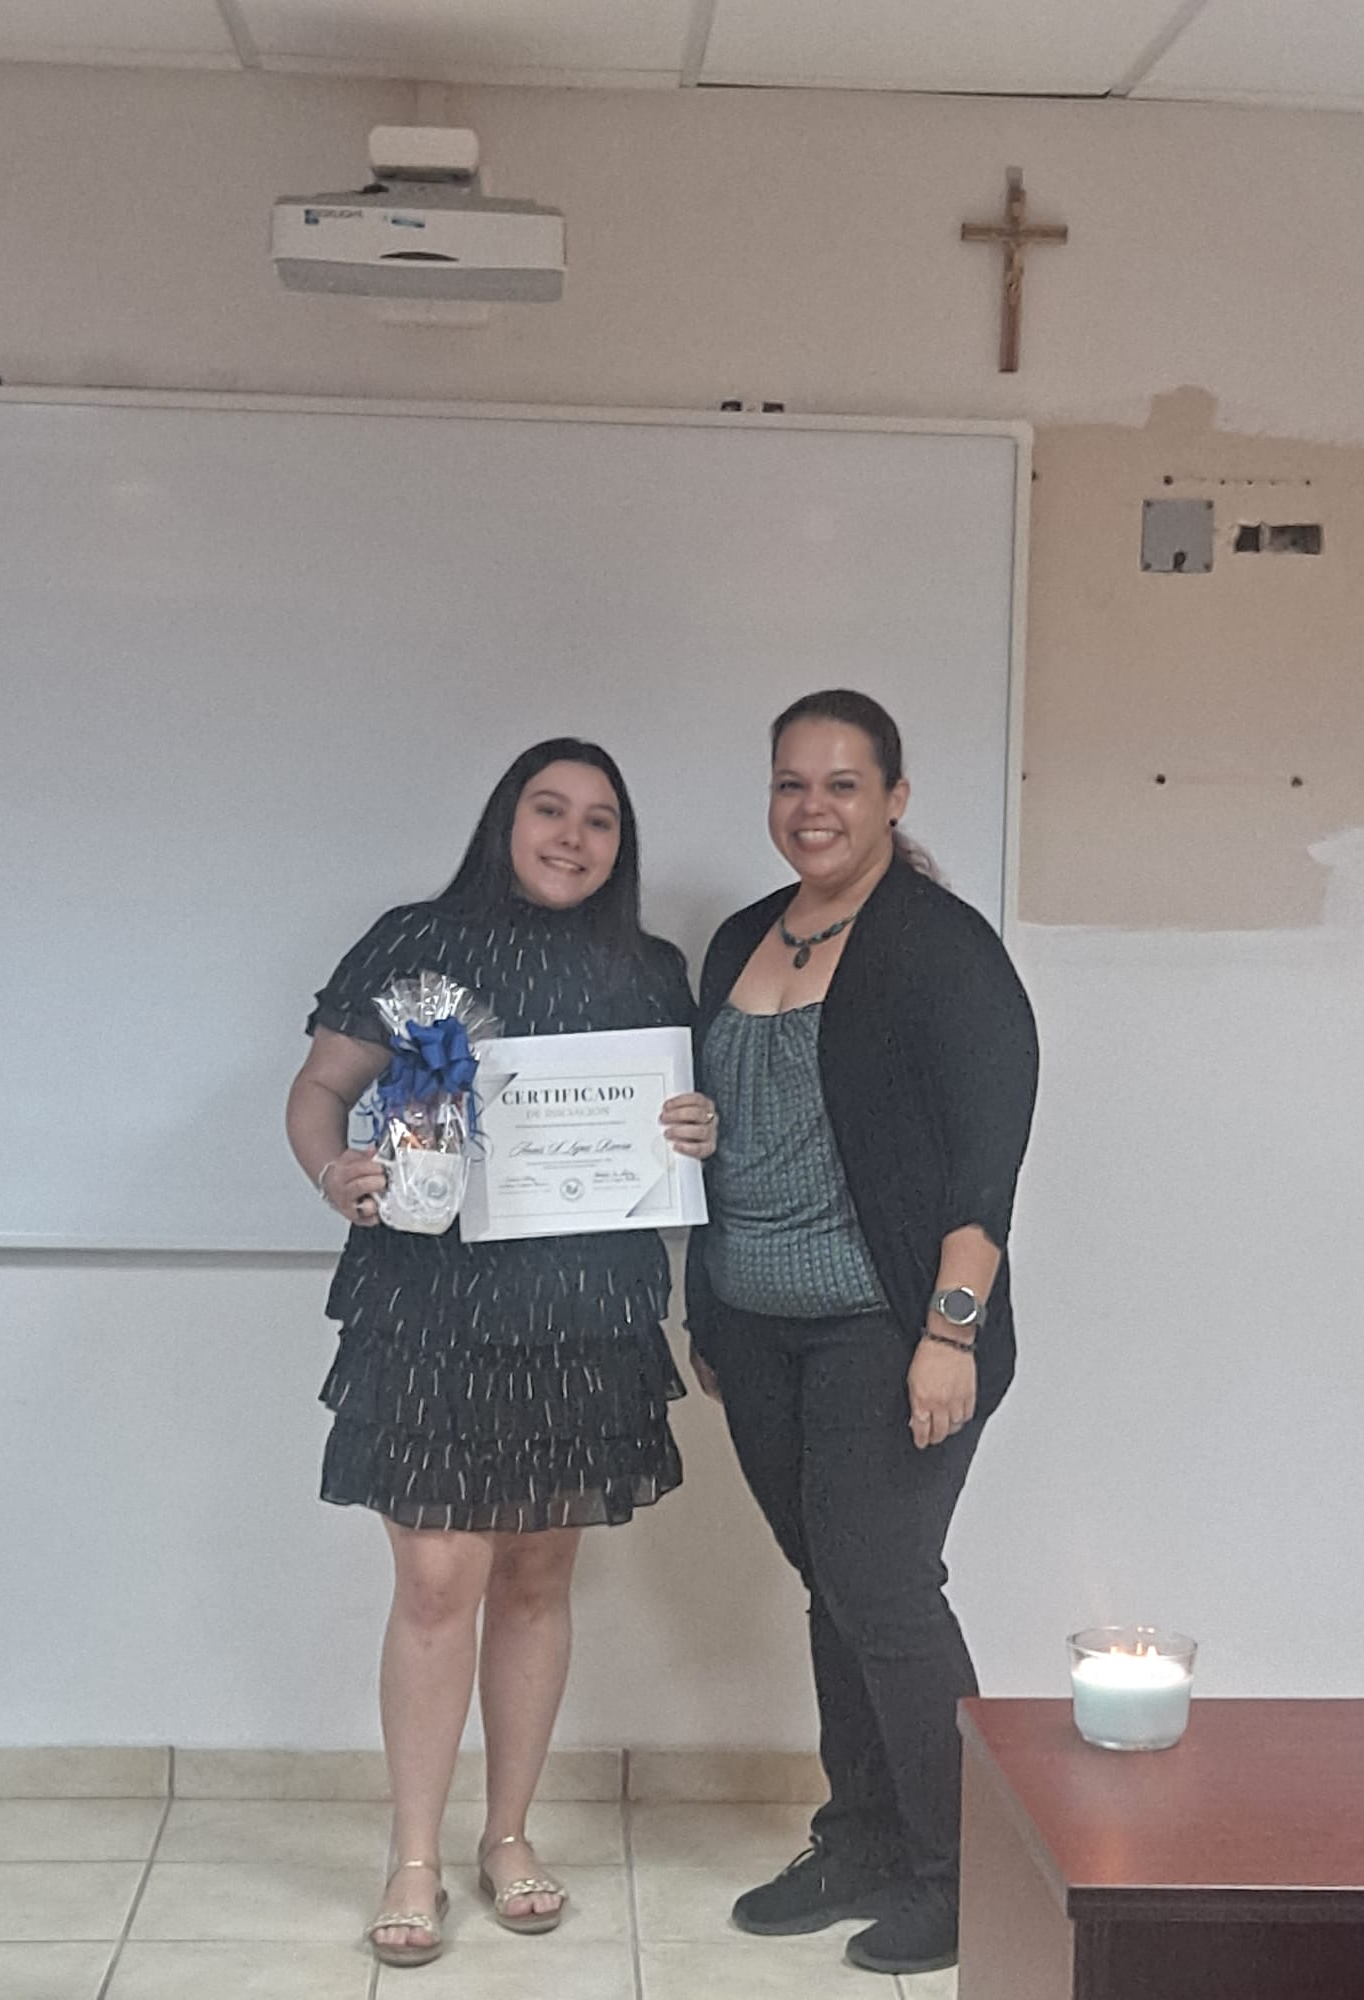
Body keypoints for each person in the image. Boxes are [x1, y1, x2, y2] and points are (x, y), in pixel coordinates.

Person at [286, 738, 717, 1969]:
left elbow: (671, 1121)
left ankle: (509, 1834)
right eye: (550, 809)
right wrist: (334, 1170)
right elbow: (319, 1090)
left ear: (621, 843)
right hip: (431, 1305)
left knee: (536, 1577)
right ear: (504, 819)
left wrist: (696, 1122)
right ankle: (414, 1855)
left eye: (600, 818)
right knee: (437, 1583)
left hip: (584, 1311)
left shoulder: (652, 967)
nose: (573, 836)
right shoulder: (413, 941)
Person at [685, 689, 1038, 1978]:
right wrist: (704, 1291)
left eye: (841, 783)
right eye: (791, 782)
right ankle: (862, 1840)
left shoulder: (942, 947)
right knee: (834, 1585)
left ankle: (965, 1874)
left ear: (894, 797)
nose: (813, 807)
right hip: (756, 1327)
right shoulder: (739, 938)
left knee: (885, 1589)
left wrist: (951, 1333)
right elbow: (729, 1133)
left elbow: (985, 1164)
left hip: (887, 1329)